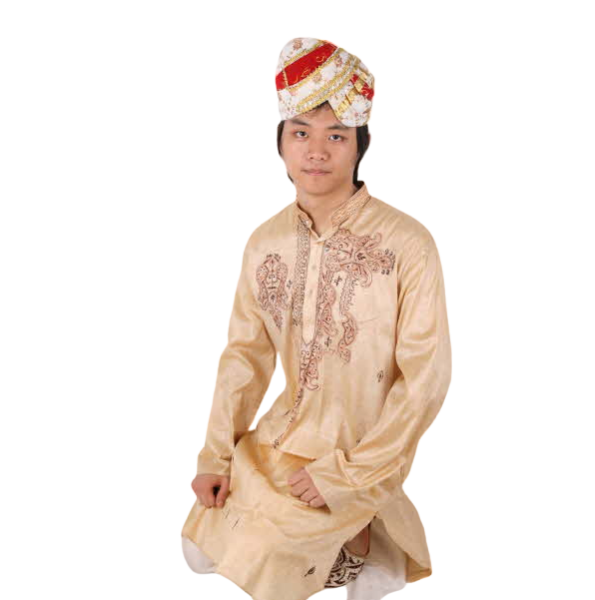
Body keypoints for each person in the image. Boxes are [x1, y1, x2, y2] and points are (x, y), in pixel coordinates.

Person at [179, 35, 454, 600]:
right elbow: (244, 357)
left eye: (336, 136)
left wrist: (347, 475)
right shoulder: (265, 240)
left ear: (362, 145)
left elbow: (426, 378)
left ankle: (363, 533)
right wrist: (217, 455)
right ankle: (330, 534)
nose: (317, 152)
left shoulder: (409, 241)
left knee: (278, 570)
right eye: (301, 133)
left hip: (360, 449)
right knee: (197, 552)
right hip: (279, 440)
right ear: (280, 144)